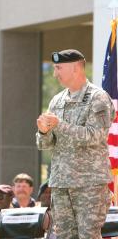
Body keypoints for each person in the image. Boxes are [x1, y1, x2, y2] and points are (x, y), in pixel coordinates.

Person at [36, 49, 115, 238]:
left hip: (89, 184)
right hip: (61, 184)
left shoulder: (98, 97)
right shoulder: (57, 100)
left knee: (88, 235)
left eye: (58, 68)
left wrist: (60, 125)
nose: (55, 74)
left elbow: (95, 135)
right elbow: (45, 144)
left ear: (76, 68)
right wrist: (43, 131)